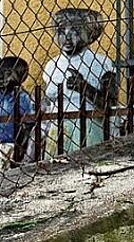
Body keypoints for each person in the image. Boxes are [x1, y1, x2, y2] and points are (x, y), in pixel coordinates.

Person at [42, 8, 118, 157]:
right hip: (58, 130)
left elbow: (109, 103)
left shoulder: (101, 63)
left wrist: (84, 87)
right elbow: (47, 102)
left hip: (90, 128)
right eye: (62, 30)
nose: (67, 37)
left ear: (90, 33)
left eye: (75, 31)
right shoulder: (51, 65)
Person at [0, 56, 34, 176]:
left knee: (14, 174)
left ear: (20, 77)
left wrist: (23, 147)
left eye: (7, 73)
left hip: (15, 144)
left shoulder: (23, 98)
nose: (0, 76)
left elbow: (29, 124)